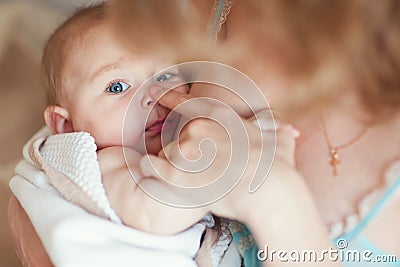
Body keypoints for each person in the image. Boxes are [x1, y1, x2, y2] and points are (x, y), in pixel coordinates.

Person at [9, 0, 400, 266]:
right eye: (117, 87)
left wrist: (273, 197)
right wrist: (219, 171)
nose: (155, 97)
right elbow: (154, 213)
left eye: (165, 76)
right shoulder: (108, 162)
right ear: (65, 127)